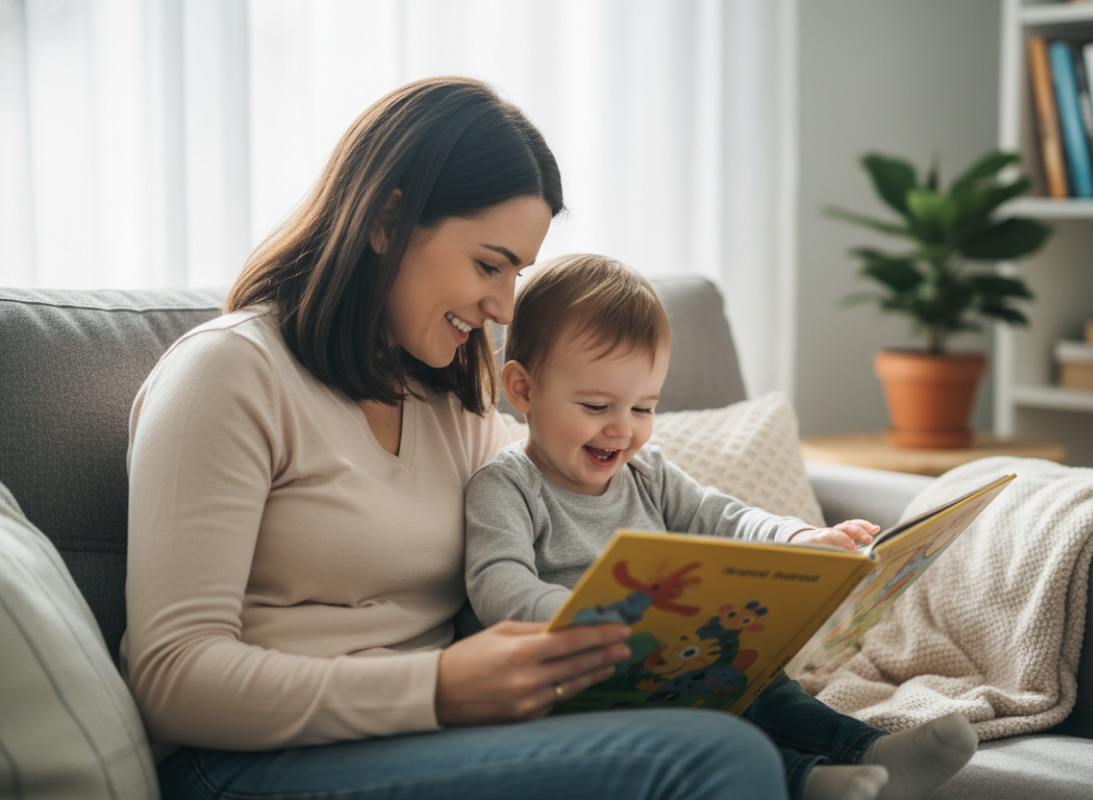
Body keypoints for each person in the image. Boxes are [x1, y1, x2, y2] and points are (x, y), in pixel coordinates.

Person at [124, 77, 796, 800]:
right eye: (488, 264)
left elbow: (581, 468)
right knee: (714, 759)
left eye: (518, 273)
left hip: (433, 736)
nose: (504, 305)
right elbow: (173, 676)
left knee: (740, 715)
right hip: (246, 761)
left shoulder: (450, 399)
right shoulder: (227, 374)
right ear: (387, 221)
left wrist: (780, 562)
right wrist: (437, 687)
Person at [463, 253, 980, 800]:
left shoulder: (648, 473)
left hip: (666, 658)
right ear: (521, 391)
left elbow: (723, 516)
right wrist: (585, 620)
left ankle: (869, 751)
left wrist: (797, 537)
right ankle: (809, 782)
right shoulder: (506, 485)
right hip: (568, 684)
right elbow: (496, 582)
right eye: (596, 405)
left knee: (761, 686)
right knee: (685, 730)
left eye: (642, 408)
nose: (621, 429)